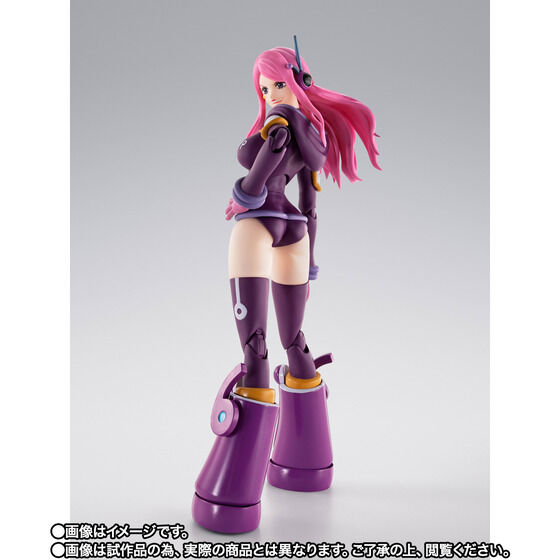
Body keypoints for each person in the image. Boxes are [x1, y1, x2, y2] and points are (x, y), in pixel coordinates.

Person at [192, 38, 380, 534]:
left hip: (260, 222)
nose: (271, 95)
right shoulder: (313, 134)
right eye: (264, 89)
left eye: (278, 84)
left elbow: (265, 165)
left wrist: (243, 196)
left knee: (256, 353)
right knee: (295, 342)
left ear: (298, 82)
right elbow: (310, 204)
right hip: (295, 229)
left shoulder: (278, 123)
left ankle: (230, 498)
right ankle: (305, 464)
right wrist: (309, 259)